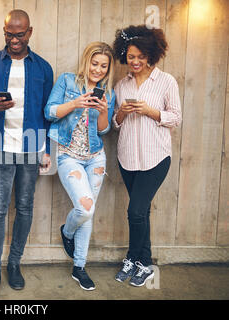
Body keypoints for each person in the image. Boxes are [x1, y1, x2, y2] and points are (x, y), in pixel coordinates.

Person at [0, 9, 53, 300]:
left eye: (20, 34)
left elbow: (47, 114)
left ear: (29, 32)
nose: (14, 39)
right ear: (4, 31)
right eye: (9, 34)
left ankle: (14, 264)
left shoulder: (43, 68)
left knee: (25, 207)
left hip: (32, 147)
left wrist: (45, 150)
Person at [112, 25, 181, 287]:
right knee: (141, 213)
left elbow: (176, 117)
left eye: (141, 56)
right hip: (127, 157)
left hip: (156, 158)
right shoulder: (121, 85)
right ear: (124, 56)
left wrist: (151, 112)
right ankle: (144, 263)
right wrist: (123, 113)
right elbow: (115, 123)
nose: (136, 61)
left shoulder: (166, 81)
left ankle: (135, 259)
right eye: (131, 57)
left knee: (135, 210)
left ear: (152, 54)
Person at [44, 42, 115, 290]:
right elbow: (49, 111)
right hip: (67, 155)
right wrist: (75, 104)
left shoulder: (108, 92)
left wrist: (104, 110)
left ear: (108, 69)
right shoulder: (67, 81)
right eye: (94, 64)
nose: (98, 70)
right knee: (84, 209)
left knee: (89, 211)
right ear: (87, 62)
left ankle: (79, 267)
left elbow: (104, 129)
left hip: (95, 157)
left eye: (103, 66)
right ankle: (67, 231)